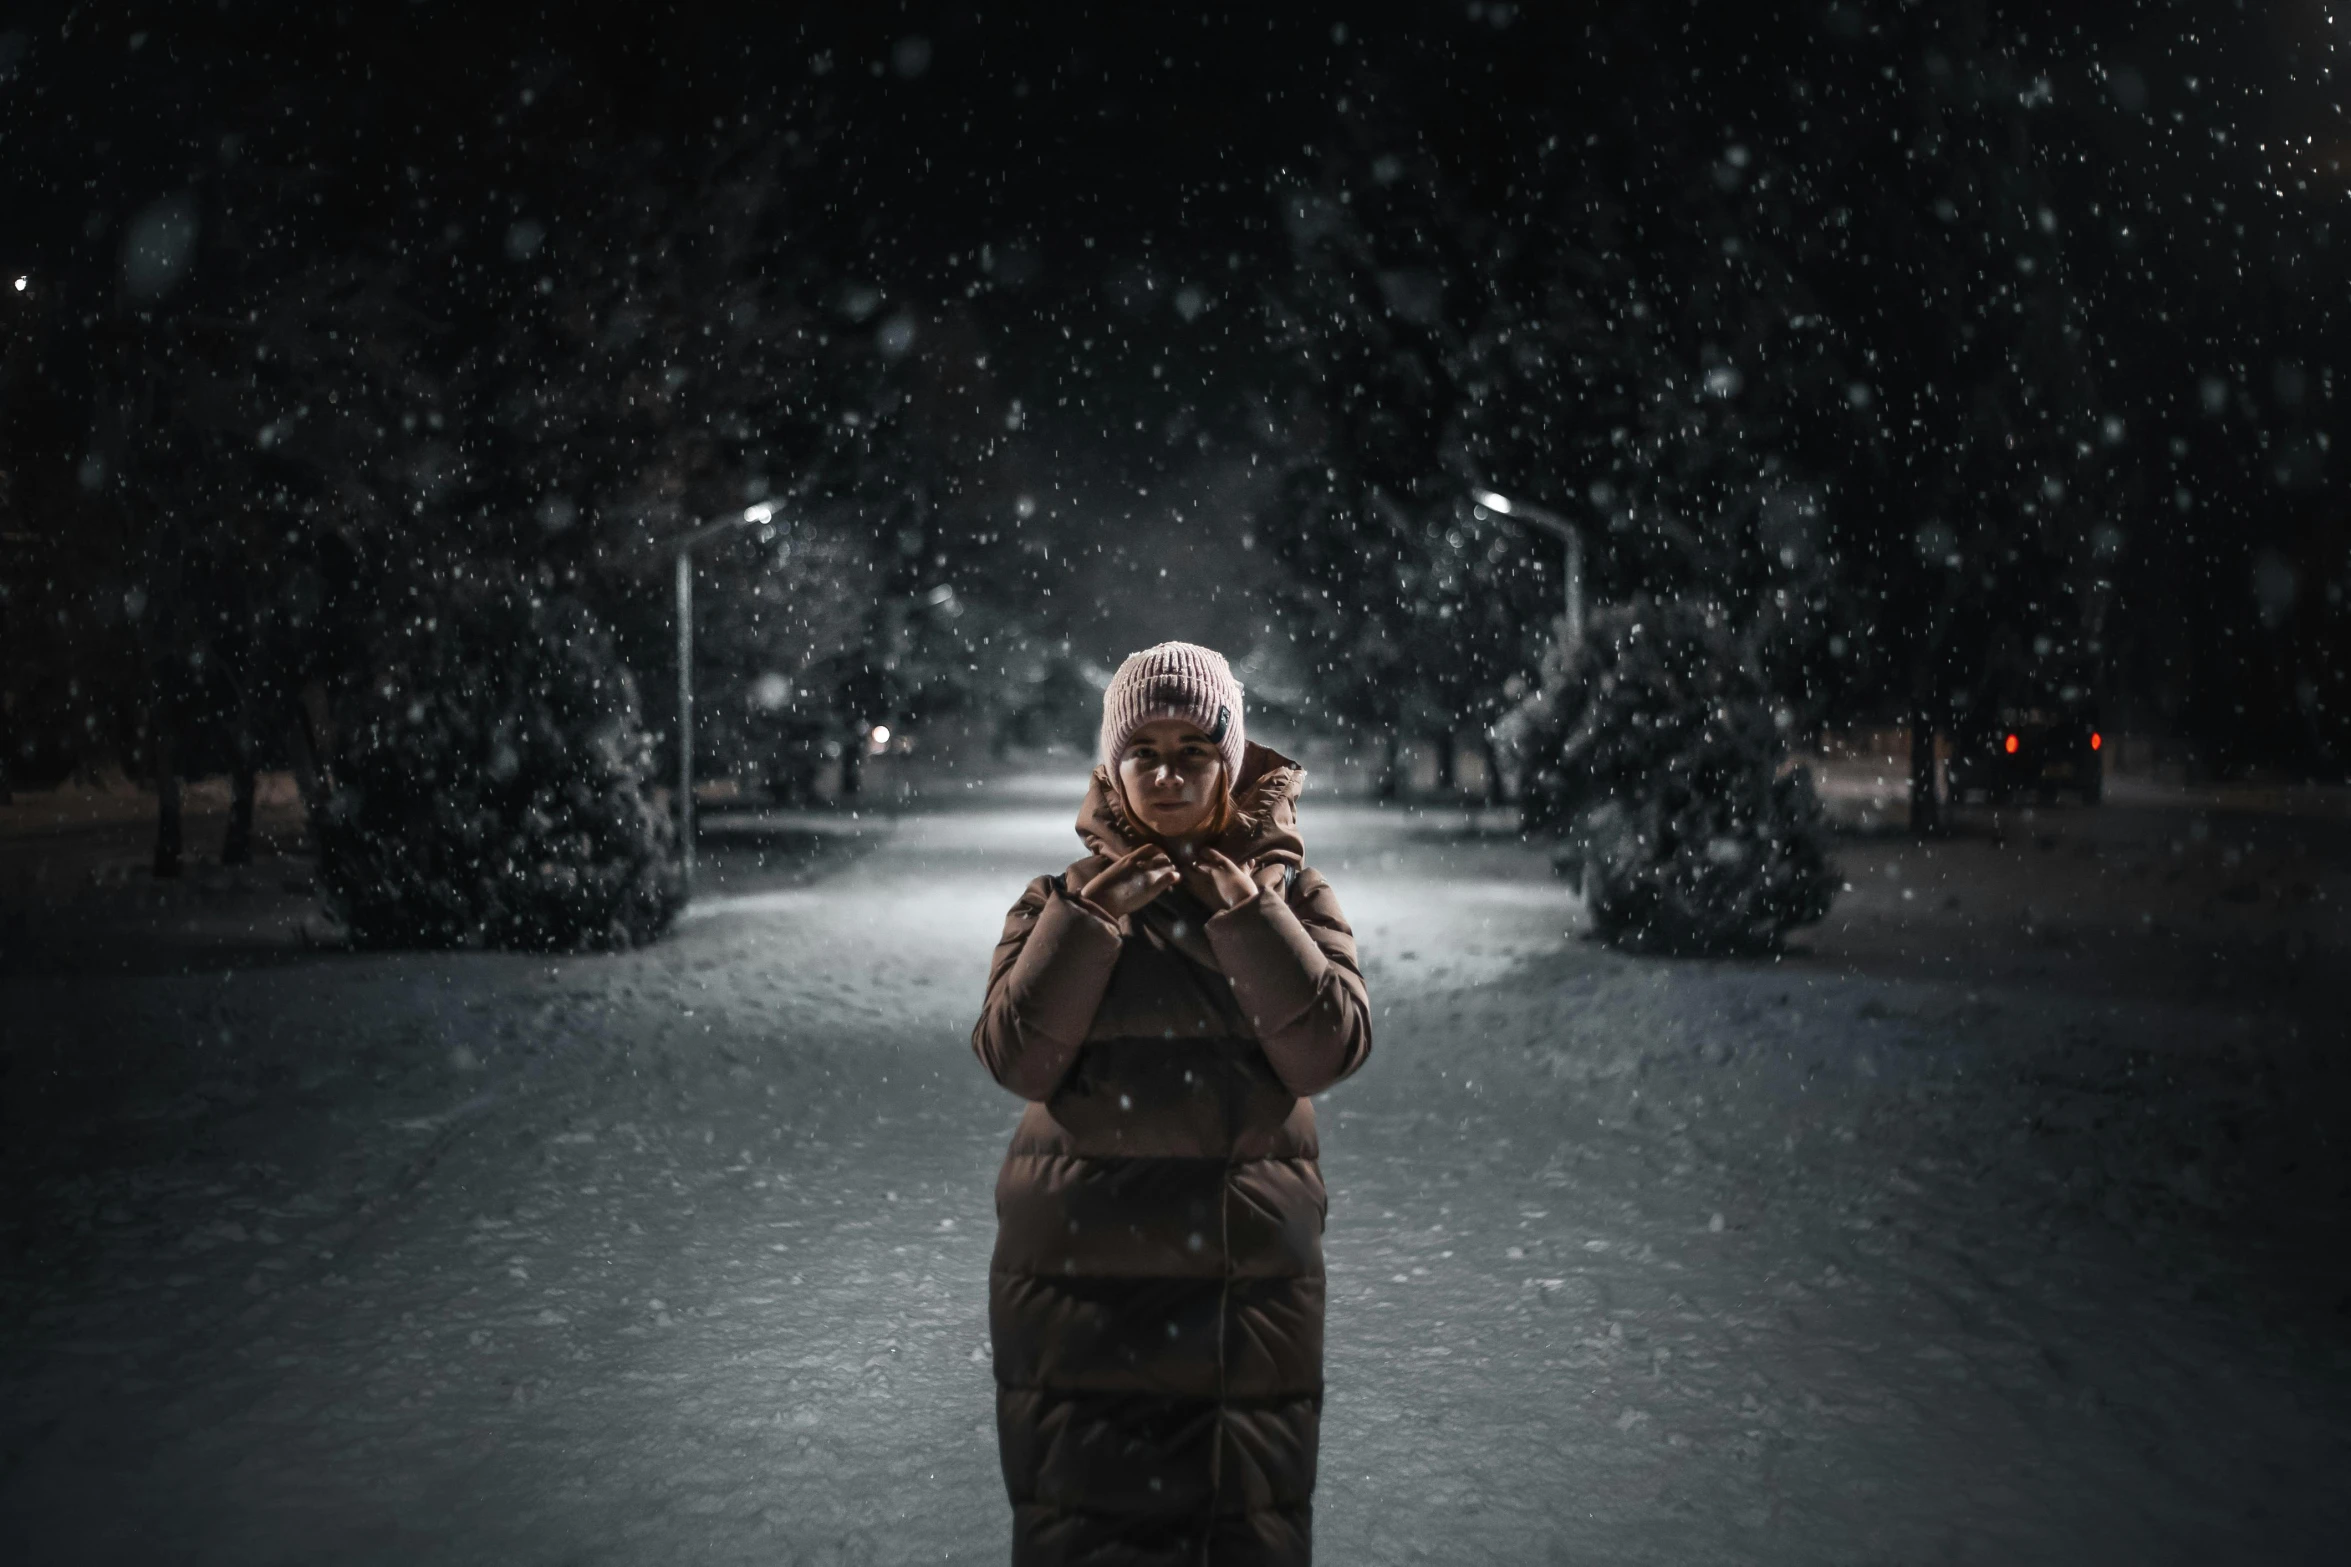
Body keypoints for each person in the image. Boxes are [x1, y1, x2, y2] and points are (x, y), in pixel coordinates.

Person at [972, 641, 1373, 1564]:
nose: (1165, 772)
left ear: (1230, 763)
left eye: (1193, 749)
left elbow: (1327, 1048)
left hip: (1243, 1284)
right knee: (1084, 1523)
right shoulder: (1054, 902)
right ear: (1111, 766)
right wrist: (1089, 921)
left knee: (1238, 1527)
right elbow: (1016, 1059)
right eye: (1141, 749)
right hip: (1078, 1279)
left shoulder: (1295, 896)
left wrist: (1249, 911)